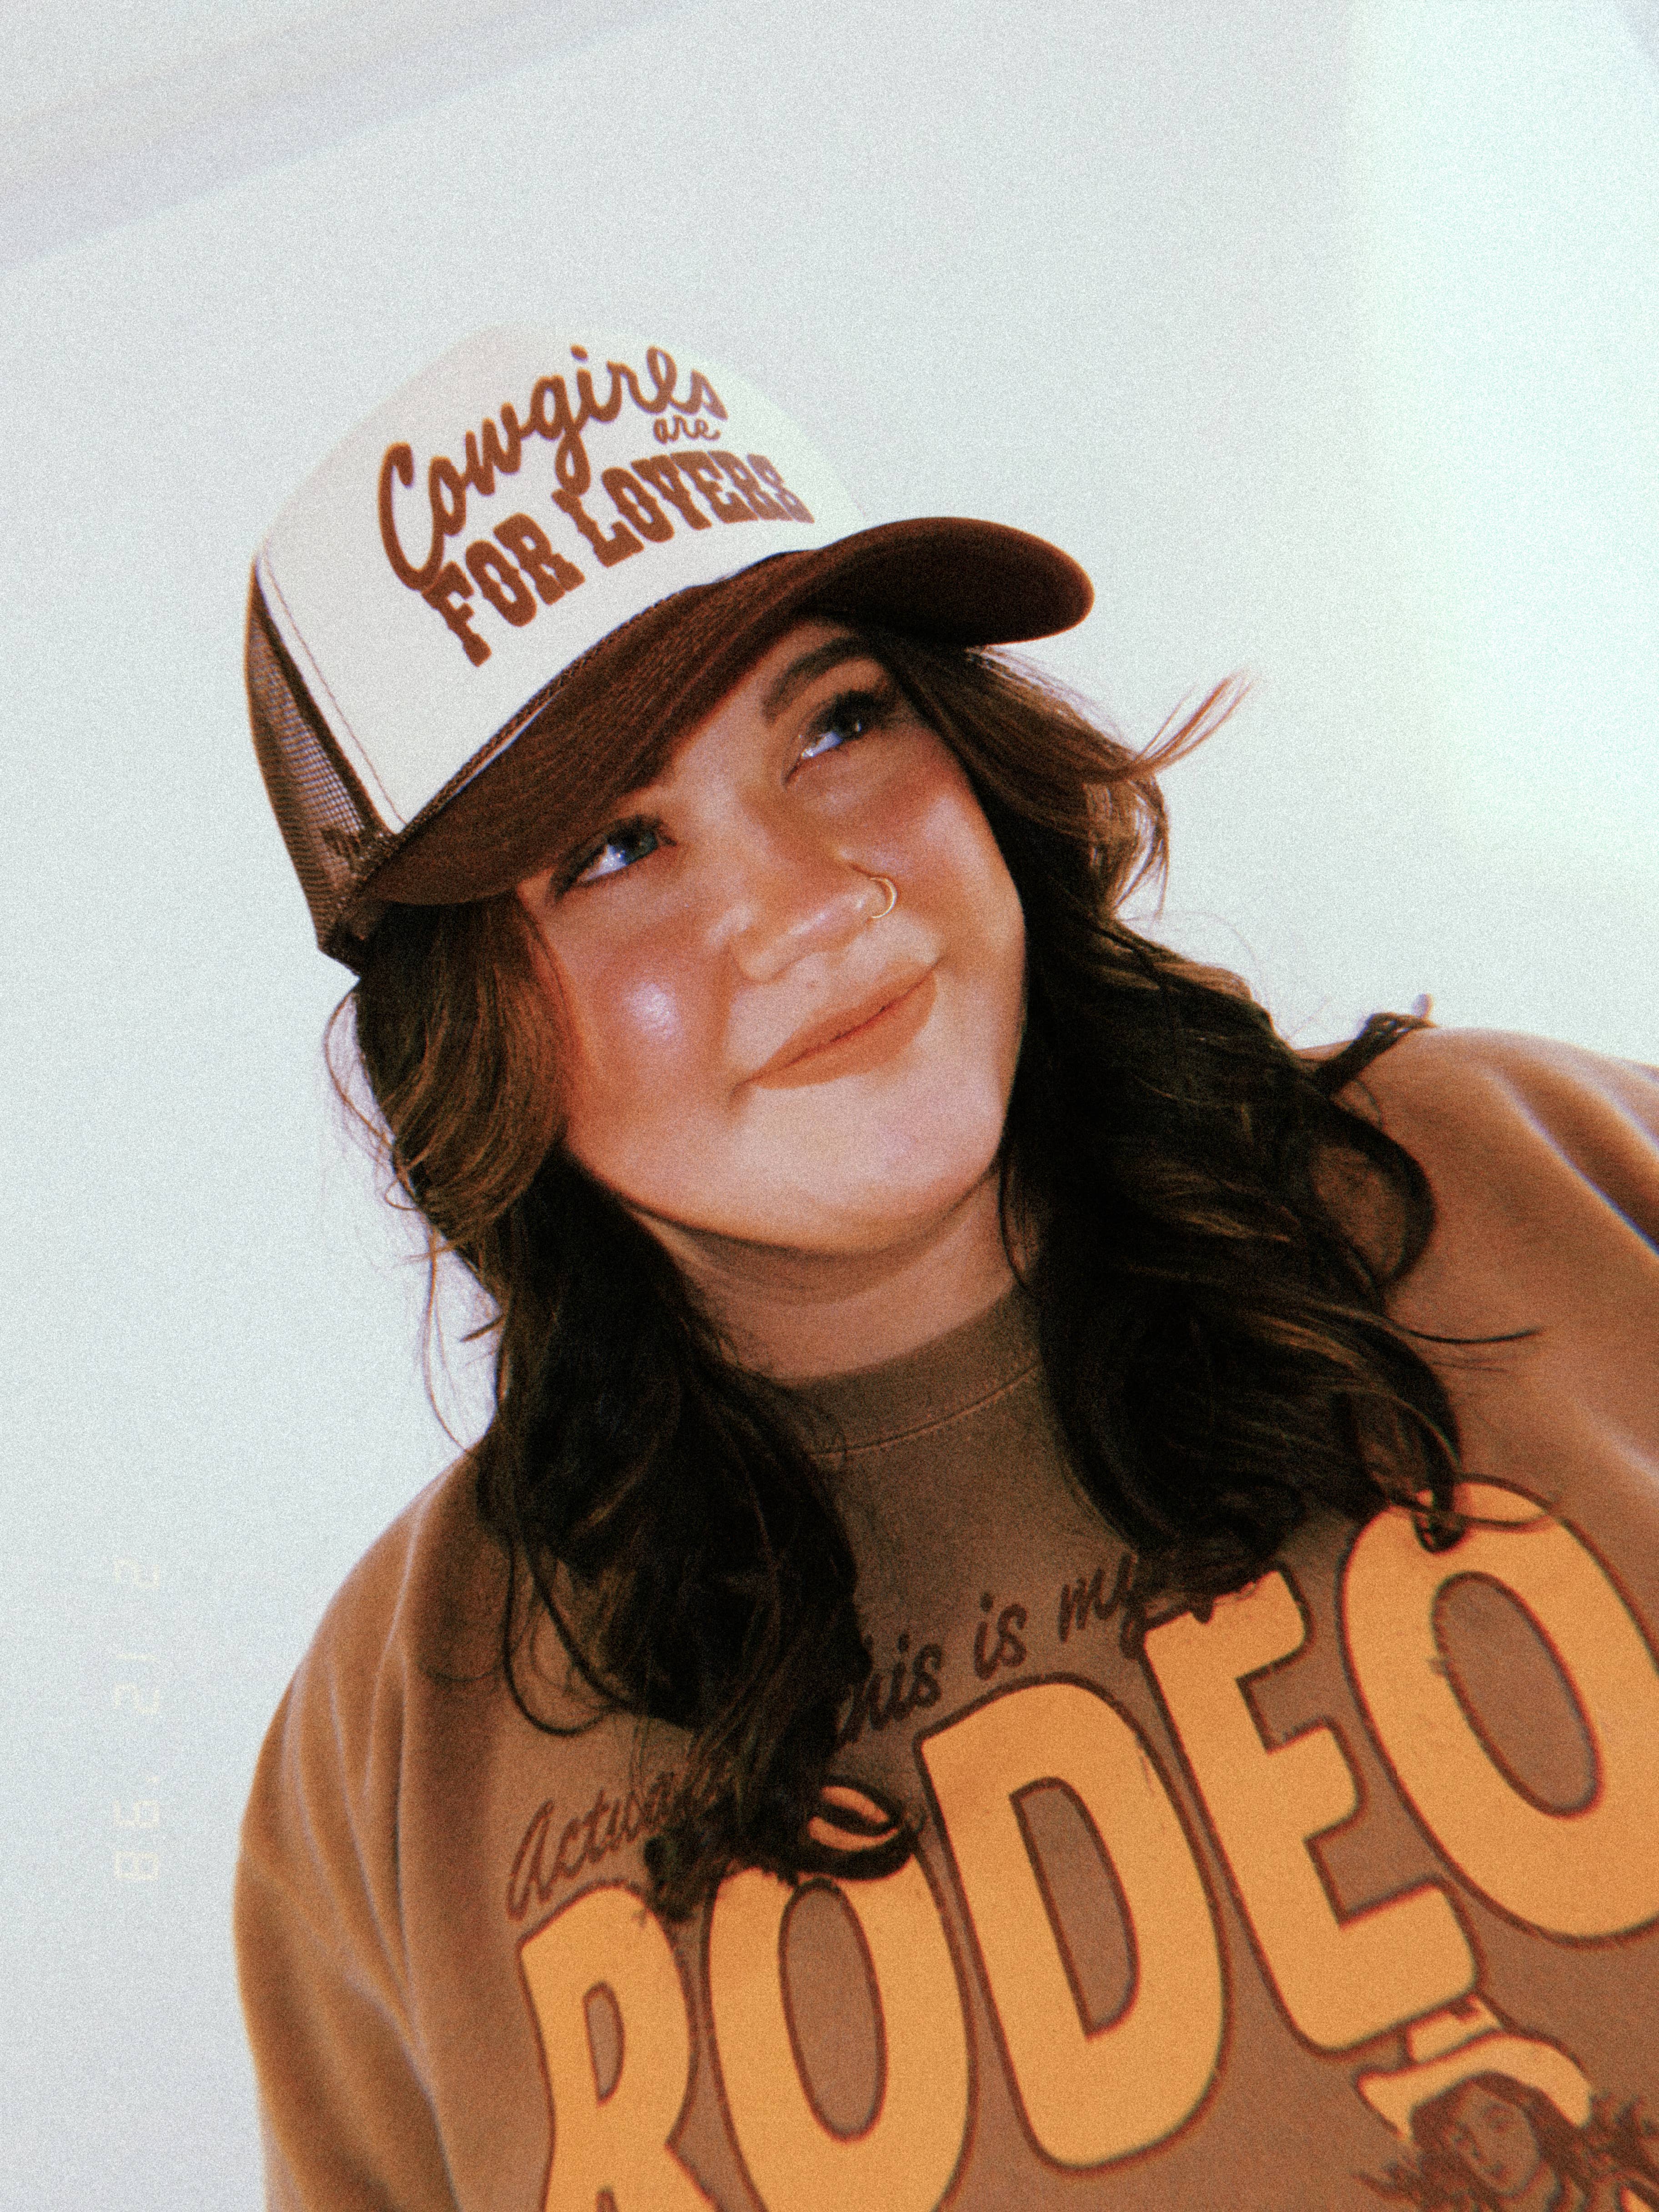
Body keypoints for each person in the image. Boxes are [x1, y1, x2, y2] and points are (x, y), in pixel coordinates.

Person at [235, 326, 1659, 2211]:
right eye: (615, 847)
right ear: (459, 1031)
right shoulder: (398, 1741)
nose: (810, 900)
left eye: (838, 724)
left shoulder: (1538, 1171)